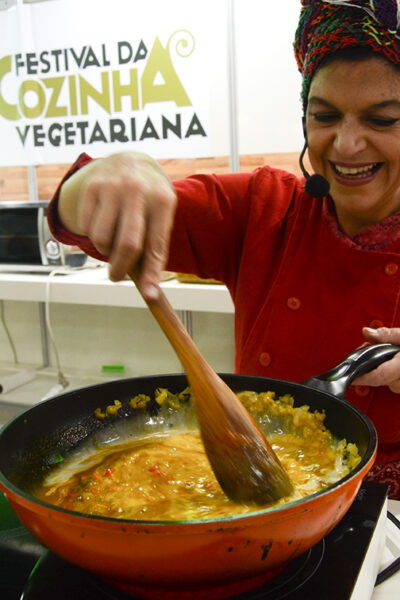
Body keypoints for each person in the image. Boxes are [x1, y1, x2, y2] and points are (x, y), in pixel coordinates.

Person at [47, 0, 400, 499]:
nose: (345, 144)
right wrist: (105, 177)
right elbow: (84, 220)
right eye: (324, 116)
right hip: (261, 500)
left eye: (382, 120)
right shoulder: (264, 208)